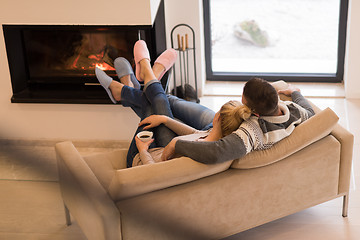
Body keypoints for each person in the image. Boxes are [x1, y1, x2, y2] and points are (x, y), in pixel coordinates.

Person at [95, 40, 251, 167]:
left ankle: (141, 77)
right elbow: (195, 134)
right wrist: (165, 120)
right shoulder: (213, 139)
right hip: (163, 149)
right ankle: (139, 81)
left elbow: (155, 171)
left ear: (216, 118)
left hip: (144, 158)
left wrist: (143, 151)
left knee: (153, 104)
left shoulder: (199, 150)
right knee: (158, 108)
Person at [161, 77, 316, 164]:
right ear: (276, 96)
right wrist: (295, 93)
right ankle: (154, 86)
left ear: (251, 109)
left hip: (218, 127)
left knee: (167, 102)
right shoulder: (294, 111)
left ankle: (151, 83)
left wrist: (177, 144)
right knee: (171, 102)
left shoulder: (255, 130)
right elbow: (310, 112)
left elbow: (217, 152)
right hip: (216, 124)